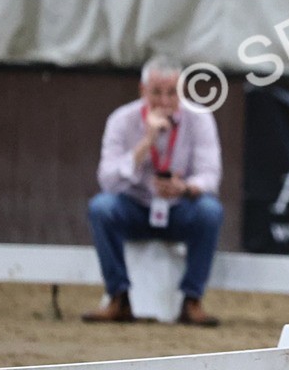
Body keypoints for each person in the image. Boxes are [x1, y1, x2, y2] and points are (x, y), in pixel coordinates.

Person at [83, 55, 224, 326]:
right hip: (134, 207)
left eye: (171, 93)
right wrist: (145, 144)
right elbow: (107, 180)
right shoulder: (122, 120)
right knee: (101, 208)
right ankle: (118, 298)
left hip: (179, 209)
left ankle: (192, 300)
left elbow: (211, 177)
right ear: (143, 91)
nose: (164, 101)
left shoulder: (200, 119)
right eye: (156, 92)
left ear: (181, 91)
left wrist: (184, 188)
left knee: (210, 211)